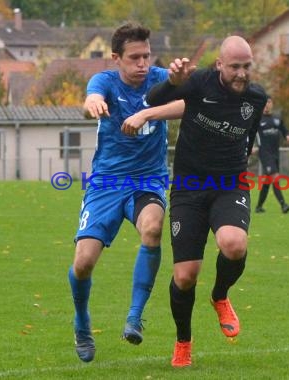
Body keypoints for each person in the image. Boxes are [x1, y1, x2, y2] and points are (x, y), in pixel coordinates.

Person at [146, 35, 268, 367]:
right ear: (219, 65)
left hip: (230, 183)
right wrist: (172, 82)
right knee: (185, 276)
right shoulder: (198, 83)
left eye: (247, 66)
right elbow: (151, 98)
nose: (242, 74)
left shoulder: (256, 98)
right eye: (234, 67)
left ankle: (220, 296)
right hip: (188, 187)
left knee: (233, 243)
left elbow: (249, 135)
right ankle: (183, 341)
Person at [69, 22, 184, 363]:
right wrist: (93, 104)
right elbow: (92, 97)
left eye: (147, 56)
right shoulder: (104, 81)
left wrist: (155, 105)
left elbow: (187, 102)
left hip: (147, 180)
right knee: (84, 262)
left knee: (152, 228)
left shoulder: (159, 79)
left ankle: (134, 316)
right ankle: (81, 321)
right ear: (116, 58)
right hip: (106, 182)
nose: (142, 64)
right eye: (134, 58)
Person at [255, 95, 289, 214]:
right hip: (264, 153)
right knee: (275, 177)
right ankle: (283, 204)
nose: (266, 105)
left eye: (269, 102)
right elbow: (248, 134)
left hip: (275, 153)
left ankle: (259, 207)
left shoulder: (277, 118)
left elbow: (284, 130)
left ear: (272, 104)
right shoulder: (257, 119)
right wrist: (251, 147)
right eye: (264, 102)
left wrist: (288, 135)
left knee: (268, 181)